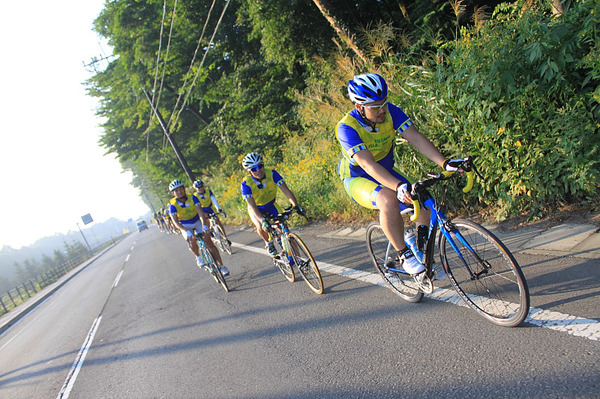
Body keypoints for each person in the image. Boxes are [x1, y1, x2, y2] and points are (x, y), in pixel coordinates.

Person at [336, 73, 463, 278]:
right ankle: (403, 254)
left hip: (387, 172)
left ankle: (420, 252)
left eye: (384, 103)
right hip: (359, 177)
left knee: (421, 202)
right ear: (360, 107)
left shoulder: (390, 112)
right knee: (387, 198)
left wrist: (445, 163)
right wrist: (398, 187)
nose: (382, 110)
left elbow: (415, 138)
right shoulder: (346, 128)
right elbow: (368, 165)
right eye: (375, 106)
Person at [240, 152, 304, 256]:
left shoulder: (272, 174)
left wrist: (295, 205)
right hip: (257, 208)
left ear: (263, 165)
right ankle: (269, 243)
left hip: (271, 205)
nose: (258, 170)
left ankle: (300, 261)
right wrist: (262, 220)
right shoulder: (246, 184)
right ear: (249, 171)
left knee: (285, 230)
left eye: (260, 166)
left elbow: (286, 191)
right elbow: (252, 205)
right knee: (260, 226)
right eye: (253, 169)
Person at [168, 179, 230, 276]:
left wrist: (204, 225)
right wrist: (185, 230)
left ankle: (221, 266)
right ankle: (198, 257)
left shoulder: (193, 198)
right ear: (173, 193)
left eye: (181, 189)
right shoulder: (172, 206)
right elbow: (175, 222)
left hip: (197, 220)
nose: (179, 192)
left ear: (184, 189)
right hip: (185, 225)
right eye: (176, 191)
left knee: (209, 242)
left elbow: (201, 213)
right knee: (192, 239)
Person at [192, 179, 231, 245]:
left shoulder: (208, 191)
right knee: (206, 219)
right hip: (202, 210)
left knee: (217, 220)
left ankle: (225, 237)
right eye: (198, 188)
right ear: (196, 189)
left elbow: (214, 200)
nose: (200, 188)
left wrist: (218, 208)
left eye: (201, 186)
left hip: (209, 208)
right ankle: (210, 232)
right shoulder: (195, 196)